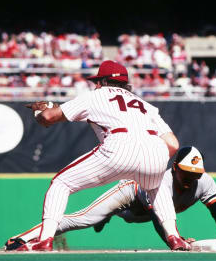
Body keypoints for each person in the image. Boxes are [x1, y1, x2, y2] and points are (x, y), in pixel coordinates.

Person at [16, 60, 190, 251]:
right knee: (156, 187)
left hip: (119, 144)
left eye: (97, 81)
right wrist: (150, 163)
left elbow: (49, 118)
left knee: (61, 183)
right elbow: (173, 144)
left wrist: (40, 112)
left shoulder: (95, 95)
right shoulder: (145, 105)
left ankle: (44, 240)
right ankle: (174, 237)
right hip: (156, 148)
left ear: (103, 82)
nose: (95, 85)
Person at [4, 146, 216, 250]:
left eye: (195, 174)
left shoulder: (205, 182)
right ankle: (23, 238)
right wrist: (175, 241)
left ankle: (108, 216)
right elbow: (159, 218)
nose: (190, 178)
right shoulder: (162, 180)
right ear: (174, 168)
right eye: (186, 173)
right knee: (85, 219)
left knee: (128, 217)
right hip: (131, 194)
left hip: (141, 213)